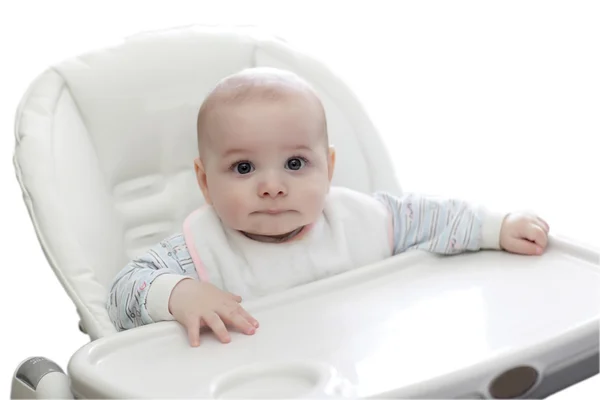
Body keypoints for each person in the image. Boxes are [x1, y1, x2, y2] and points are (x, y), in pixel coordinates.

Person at [107, 67, 550, 347]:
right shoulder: (197, 253)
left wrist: (497, 227)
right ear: (205, 182)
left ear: (329, 167)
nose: (273, 187)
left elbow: (432, 218)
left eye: (295, 163)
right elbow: (124, 291)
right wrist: (181, 293)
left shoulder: (360, 220)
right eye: (244, 168)